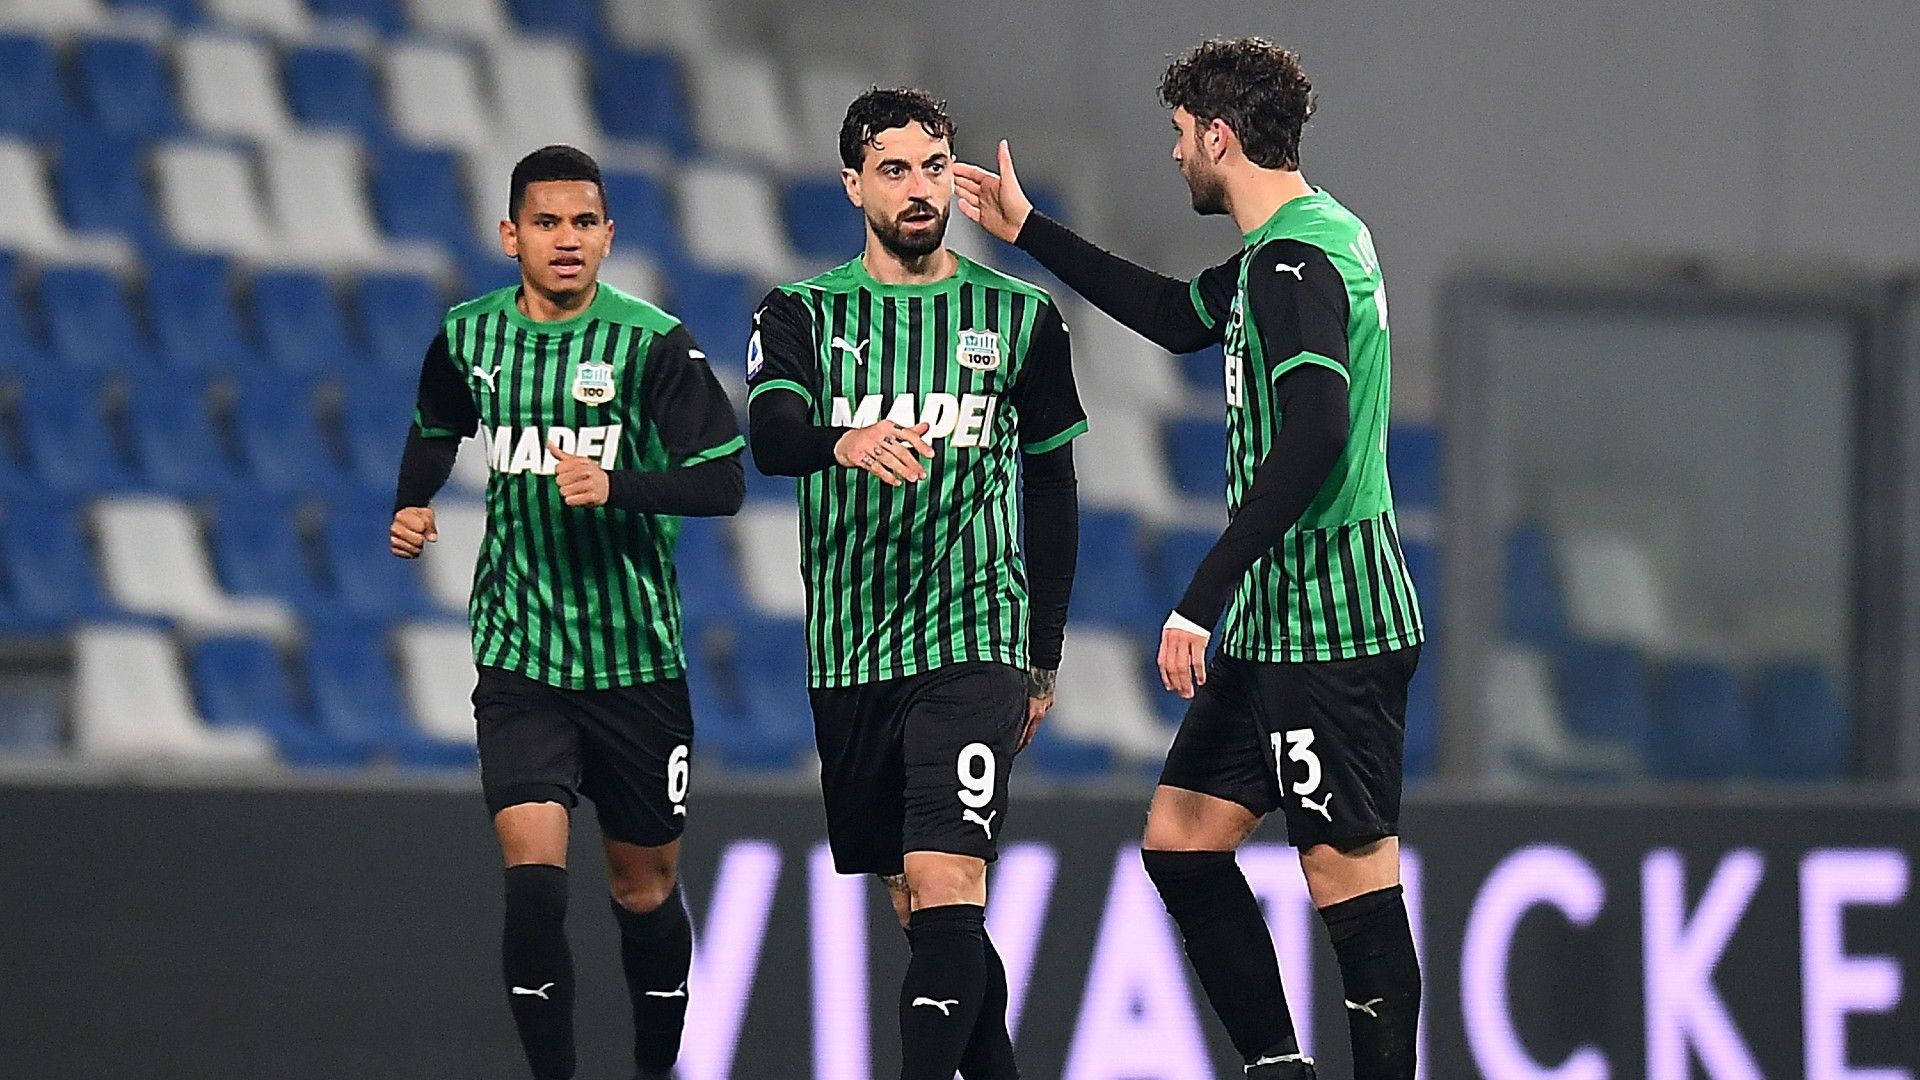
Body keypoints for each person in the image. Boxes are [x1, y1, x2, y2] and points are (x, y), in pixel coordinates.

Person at [955, 38, 1424, 1080]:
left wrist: (1201, 594)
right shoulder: (1304, 241)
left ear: (1219, 136)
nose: (1173, 155)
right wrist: (1029, 231)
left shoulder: (1296, 265)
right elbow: (1176, 318)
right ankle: (1278, 1067)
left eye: (1179, 134)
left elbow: (1317, 433)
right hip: (1277, 622)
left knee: (1348, 880)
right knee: (1181, 839)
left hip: (1331, 622)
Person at [746, 88, 1085, 1080]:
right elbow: (770, 437)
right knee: (921, 907)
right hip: (853, 651)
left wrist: (1043, 654)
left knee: (947, 877)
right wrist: (841, 440)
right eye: (893, 170)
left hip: (975, 639)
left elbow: (1052, 487)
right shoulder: (799, 314)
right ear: (853, 185)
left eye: (934, 166)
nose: (919, 188)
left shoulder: (1020, 317)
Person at [389, 144, 745, 1080]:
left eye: (584, 222)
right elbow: (435, 425)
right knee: (536, 886)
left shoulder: (652, 343)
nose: (566, 239)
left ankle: (656, 1067)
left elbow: (724, 481)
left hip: (636, 662)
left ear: (609, 235)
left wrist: (618, 484)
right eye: (546, 222)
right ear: (510, 235)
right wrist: (413, 501)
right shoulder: (468, 335)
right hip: (522, 656)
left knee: (644, 889)